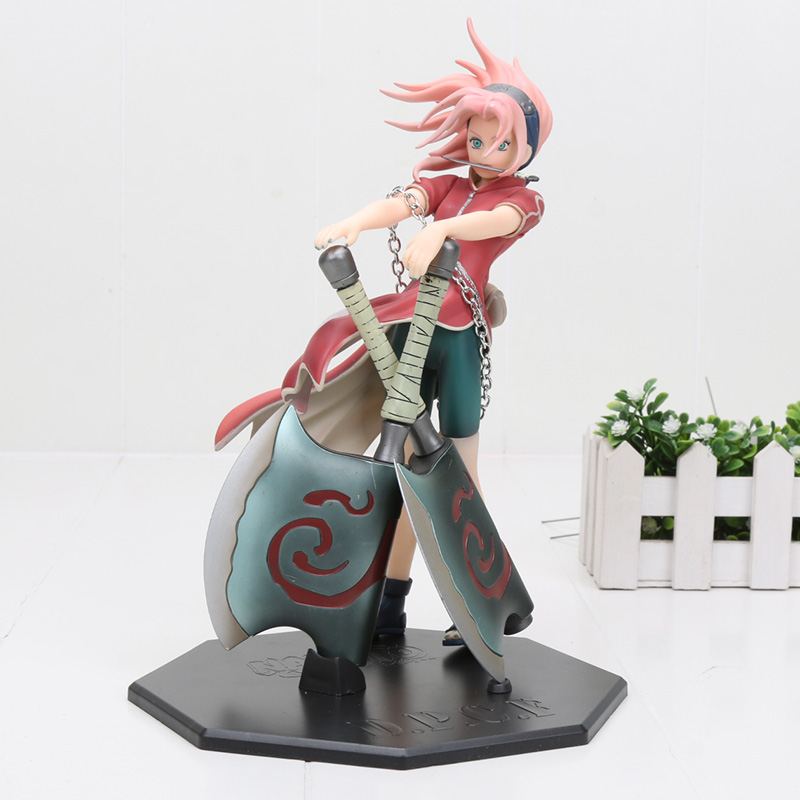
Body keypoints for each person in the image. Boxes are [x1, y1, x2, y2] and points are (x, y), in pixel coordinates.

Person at [214, 18, 552, 645]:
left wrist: (443, 231)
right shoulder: (449, 184)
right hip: (406, 328)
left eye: (501, 143)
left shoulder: (523, 201)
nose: (484, 153)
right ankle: (390, 601)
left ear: (527, 147)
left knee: (455, 472)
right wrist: (357, 222)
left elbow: (499, 221)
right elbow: (405, 202)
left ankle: (477, 600)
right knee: (393, 462)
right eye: (477, 139)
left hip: (458, 340)